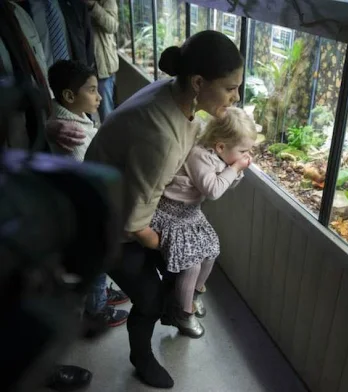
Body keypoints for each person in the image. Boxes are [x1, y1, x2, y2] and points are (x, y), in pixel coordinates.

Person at [84, 30, 244, 389]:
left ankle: (176, 310)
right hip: (106, 221)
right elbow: (137, 223)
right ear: (199, 82)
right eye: (231, 87)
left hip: (123, 201)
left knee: (184, 261)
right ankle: (141, 357)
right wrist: (173, 247)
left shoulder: (174, 95)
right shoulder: (161, 134)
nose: (236, 96)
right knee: (152, 296)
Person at [152, 107, 255, 338]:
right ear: (220, 147)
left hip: (191, 212)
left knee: (211, 252)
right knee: (192, 265)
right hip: (172, 214)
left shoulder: (220, 156)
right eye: (243, 150)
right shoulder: (200, 156)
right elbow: (214, 190)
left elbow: (227, 182)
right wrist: (236, 168)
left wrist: (235, 169)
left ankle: (195, 294)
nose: (247, 156)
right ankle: (182, 313)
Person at [47, 59, 130, 329]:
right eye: (92, 90)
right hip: (85, 215)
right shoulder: (72, 135)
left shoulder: (71, 117)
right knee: (97, 263)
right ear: (70, 96)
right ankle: (96, 309)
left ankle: (102, 294)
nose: (98, 96)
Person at [87, 0, 119, 122]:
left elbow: (112, 26)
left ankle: (111, 139)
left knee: (106, 112)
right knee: (84, 111)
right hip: (83, 64)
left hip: (101, 66)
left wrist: (93, 6)